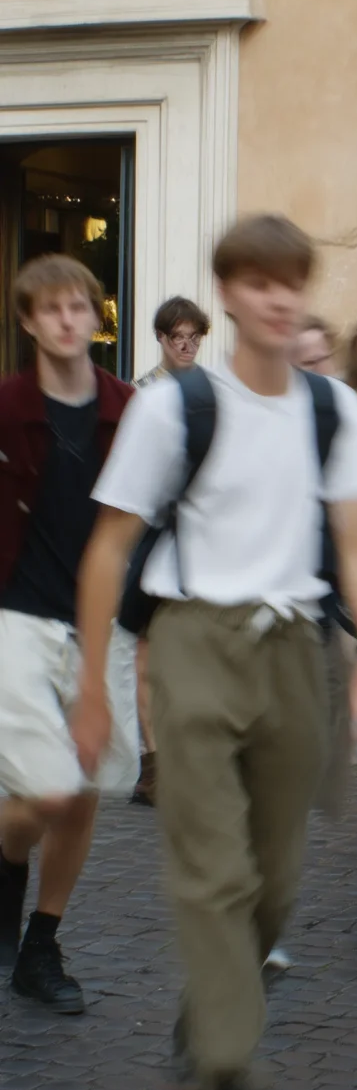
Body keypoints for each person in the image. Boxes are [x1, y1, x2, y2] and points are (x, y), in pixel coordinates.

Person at [73, 214, 357, 1090]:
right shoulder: (176, 406)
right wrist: (93, 684)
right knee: (211, 865)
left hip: (296, 649)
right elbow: (106, 548)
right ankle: (231, 1080)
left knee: (275, 880)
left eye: (289, 280)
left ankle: (213, 1003)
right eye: (255, 282)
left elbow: (352, 545)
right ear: (227, 295)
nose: (275, 296)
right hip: (195, 641)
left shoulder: (334, 409)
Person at [0, 255, 140, 1014]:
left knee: (86, 787)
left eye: (78, 306)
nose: (65, 319)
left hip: (104, 621)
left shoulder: (130, 410)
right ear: (27, 321)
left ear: (95, 315)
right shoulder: (5, 407)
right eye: (49, 309)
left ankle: (41, 944)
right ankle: (5, 851)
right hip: (16, 614)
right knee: (45, 789)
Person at [131, 297, 214, 806]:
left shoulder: (216, 394)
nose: (185, 346)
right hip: (149, 531)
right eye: (176, 337)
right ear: (160, 338)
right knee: (146, 657)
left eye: (193, 338)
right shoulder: (139, 395)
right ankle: (153, 763)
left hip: (201, 537)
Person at [135, 295, 211, 388]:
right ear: (160, 335)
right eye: (178, 337)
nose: (188, 347)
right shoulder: (140, 391)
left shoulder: (211, 388)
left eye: (195, 337)